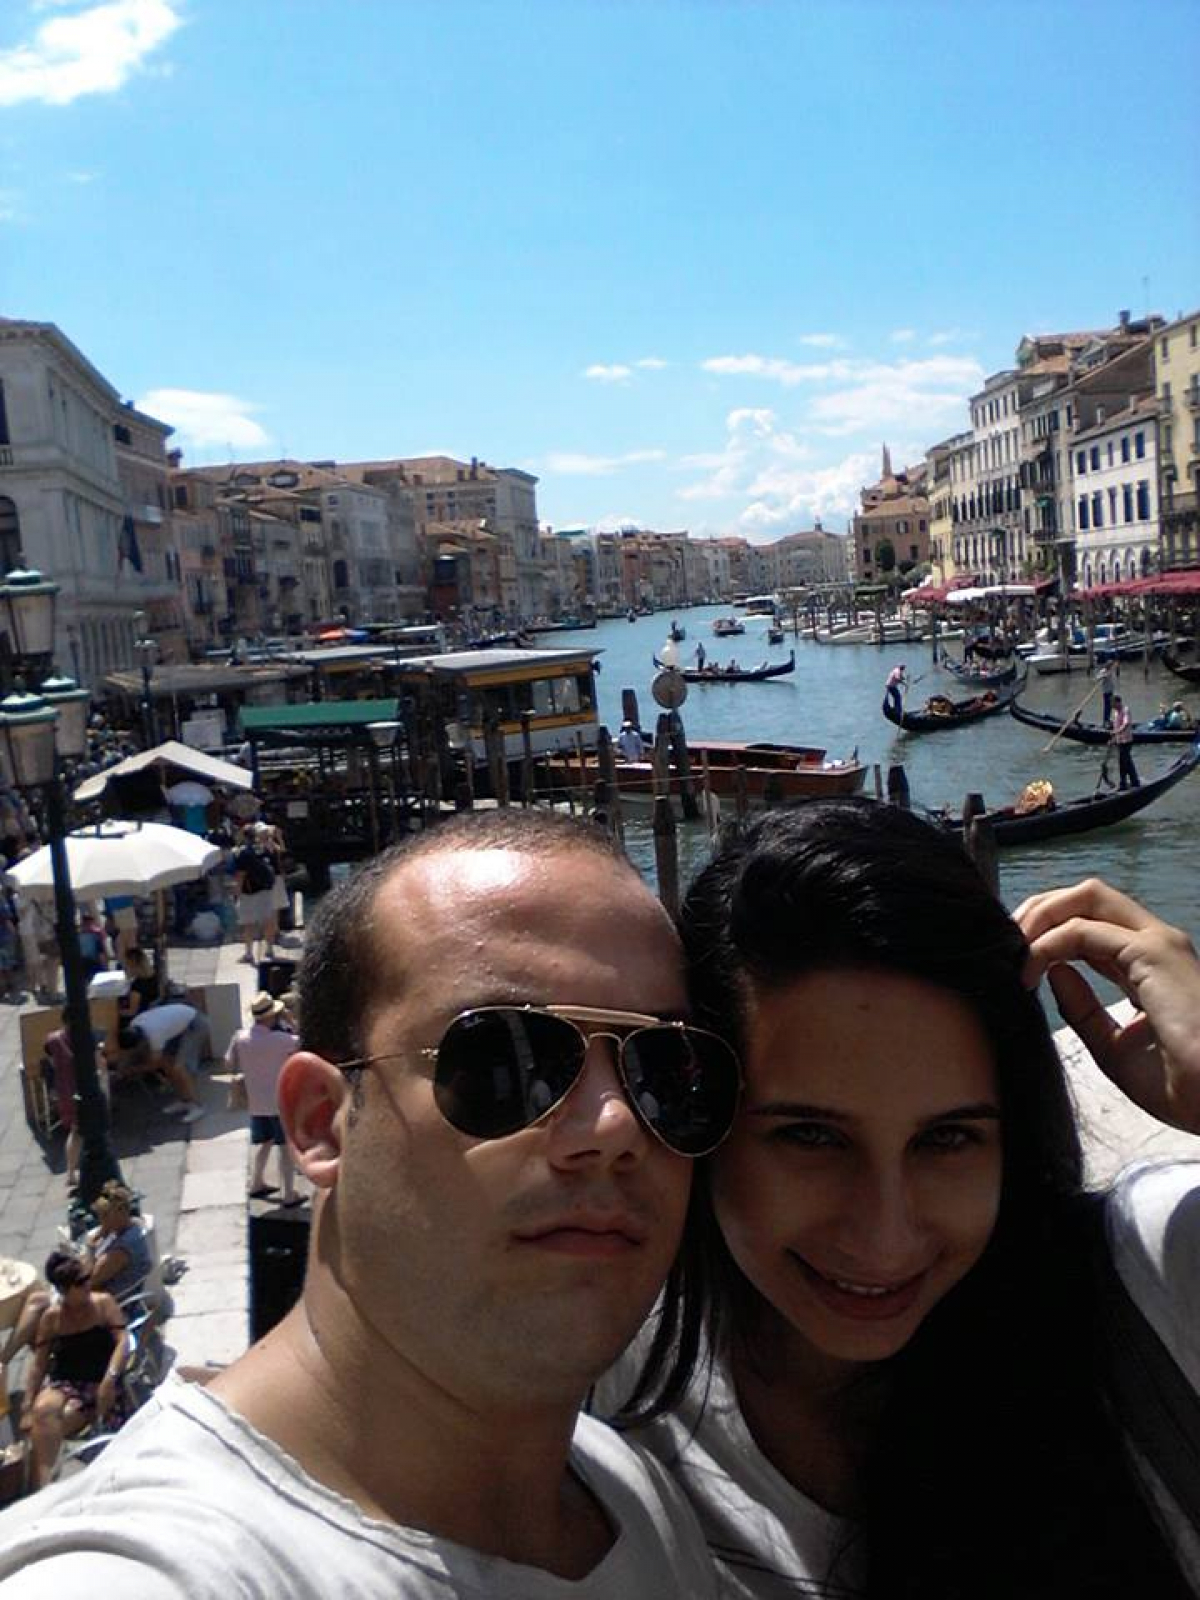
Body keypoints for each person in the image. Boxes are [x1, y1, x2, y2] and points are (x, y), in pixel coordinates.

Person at [0, 809, 739, 1595]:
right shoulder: (139, 1570)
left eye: (666, 1069)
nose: (618, 1125)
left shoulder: (634, 1494)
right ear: (322, 1125)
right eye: (504, 1058)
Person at [605, 800, 1200, 1598]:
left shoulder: (1155, 1283)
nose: (884, 1237)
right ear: (703, 1117)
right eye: (811, 1138)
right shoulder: (603, 1388)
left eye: (947, 1140)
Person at [18, 1250, 130, 1491]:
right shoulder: (53, 1318)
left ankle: (42, 1487)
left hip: (99, 1379)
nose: (88, 1284)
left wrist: (110, 1378)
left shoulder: (103, 1304)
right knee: (42, 1410)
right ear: (64, 1291)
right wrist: (27, 1404)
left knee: (49, 1427)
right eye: (80, 1283)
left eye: (87, 1277)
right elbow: (39, 1363)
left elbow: (123, 1340)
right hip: (66, 1380)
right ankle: (45, 1486)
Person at [226, 991, 302, 1204]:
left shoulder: (240, 1037)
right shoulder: (283, 1040)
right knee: (285, 1148)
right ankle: (288, 1194)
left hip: (256, 1101)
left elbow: (228, 1063)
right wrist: (291, 1021)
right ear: (271, 1016)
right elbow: (304, 1045)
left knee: (265, 1142)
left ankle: (256, 1183)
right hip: (280, 1102)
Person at [115, 1001, 212, 1123]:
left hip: (195, 1024)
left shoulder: (155, 1034)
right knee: (168, 1066)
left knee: (180, 1068)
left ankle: (197, 1106)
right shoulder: (135, 1023)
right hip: (180, 1024)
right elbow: (157, 1061)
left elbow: (155, 1064)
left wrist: (130, 1070)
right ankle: (184, 1101)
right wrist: (122, 1067)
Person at [233, 824, 277, 965]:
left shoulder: (243, 852)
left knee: (248, 923)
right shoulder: (265, 848)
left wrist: (237, 893)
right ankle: (269, 949)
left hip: (250, 892)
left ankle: (249, 954)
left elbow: (241, 875)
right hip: (266, 889)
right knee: (268, 920)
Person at [1110, 693, 1140, 790]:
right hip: (1119, 741)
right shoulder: (1115, 713)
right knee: (1124, 762)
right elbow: (1116, 727)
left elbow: (1126, 724)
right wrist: (1113, 739)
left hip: (1127, 741)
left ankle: (1129, 782)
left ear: (1118, 702)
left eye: (1113, 703)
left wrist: (1116, 732)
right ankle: (1129, 782)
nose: (1112, 706)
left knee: (1125, 762)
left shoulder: (1125, 710)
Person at [1096, 656, 1119, 727]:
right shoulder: (1103, 671)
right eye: (1111, 665)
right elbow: (1097, 678)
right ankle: (1105, 721)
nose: (1112, 667)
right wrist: (1103, 676)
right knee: (1107, 707)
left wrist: (1116, 666)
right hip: (1106, 692)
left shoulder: (1111, 671)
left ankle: (1108, 720)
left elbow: (1116, 668)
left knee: (1111, 706)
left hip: (1111, 691)